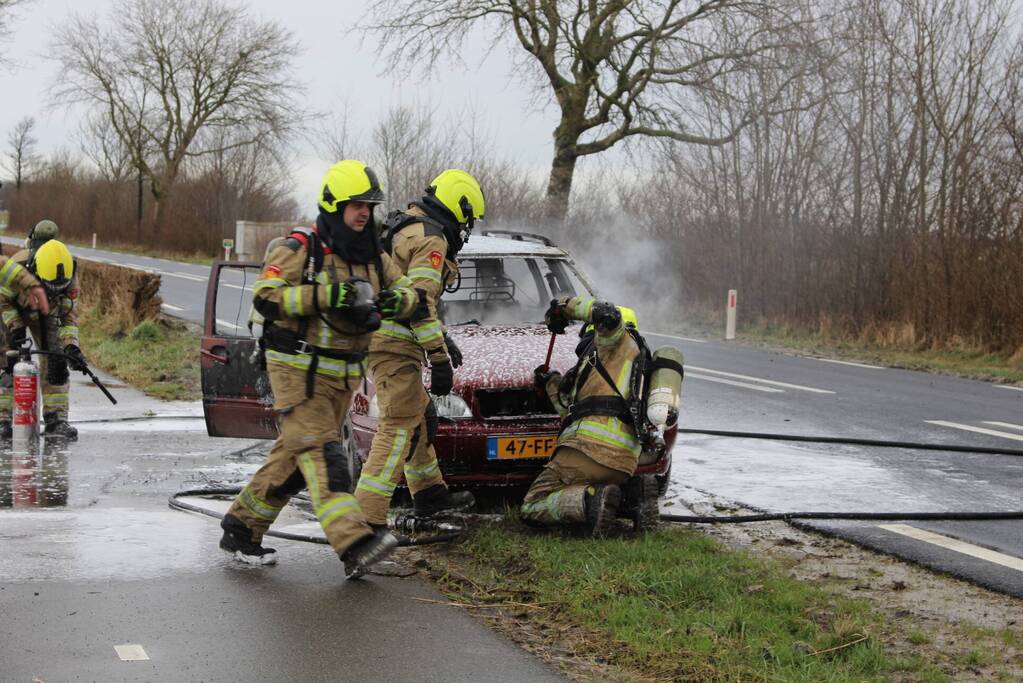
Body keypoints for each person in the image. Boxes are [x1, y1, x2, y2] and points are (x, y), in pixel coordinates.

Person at [219, 160, 419, 578]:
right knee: (325, 456)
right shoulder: (300, 248)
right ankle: (355, 543)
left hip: (343, 377)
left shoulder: (372, 256)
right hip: (298, 373)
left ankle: (241, 527)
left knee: (293, 461)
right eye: (355, 205)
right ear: (333, 205)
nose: (364, 212)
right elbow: (267, 298)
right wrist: (327, 297)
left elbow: (407, 290)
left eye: (369, 204)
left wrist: (399, 302)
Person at [355, 170, 484, 527]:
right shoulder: (433, 240)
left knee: (421, 417)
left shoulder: (407, 227)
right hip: (394, 345)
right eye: (469, 217)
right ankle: (365, 523)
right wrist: (439, 356)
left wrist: (441, 336)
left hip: (385, 338)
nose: (467, 227)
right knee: (397, 428)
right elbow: (420, 300)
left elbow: (407, 292)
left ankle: (431, 497)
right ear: (460, 205)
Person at [522, 297, 656, 536]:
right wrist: (551, 383)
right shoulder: (629, 365)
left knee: (532, 505)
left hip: (588, 451)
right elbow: (572, 410)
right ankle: (632, 496)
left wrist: (562, 308)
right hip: (624, 462)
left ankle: (591, 501)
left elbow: (606, 313)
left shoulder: (618, 343)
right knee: (599, 483)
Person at [0, 234, 82, 440]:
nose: (55, 290)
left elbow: (68, 318)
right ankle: (3, 421)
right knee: (7, 362)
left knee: (56, 361)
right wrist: (16, 328)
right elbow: (3, 301)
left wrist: (71, 347)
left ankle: (56, 420)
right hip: (12, 309)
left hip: (46, 312)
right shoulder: (17, 268)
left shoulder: (71, 278)